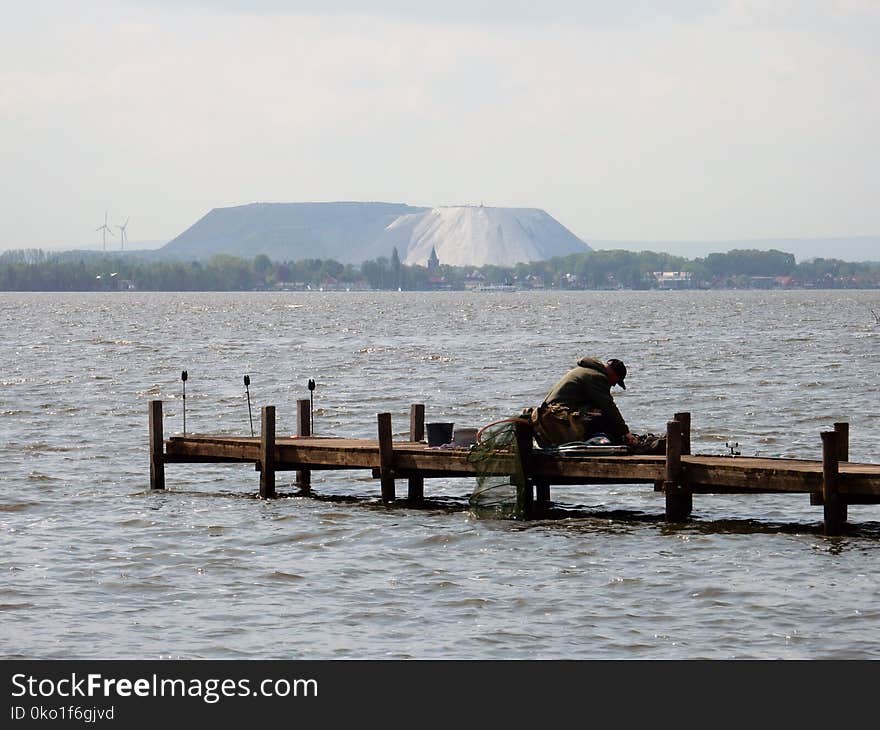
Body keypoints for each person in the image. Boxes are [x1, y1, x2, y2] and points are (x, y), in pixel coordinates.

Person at [531, 357, 638, 447]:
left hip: (551, 413)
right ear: (614, 374)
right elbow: (608, 406)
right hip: (557, 417)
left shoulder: (583, 371)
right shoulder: (597, 377)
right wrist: (625, 432)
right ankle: (617, 443)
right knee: (603, 417)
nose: (614, 385)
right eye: (616, 381)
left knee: (597, 412)